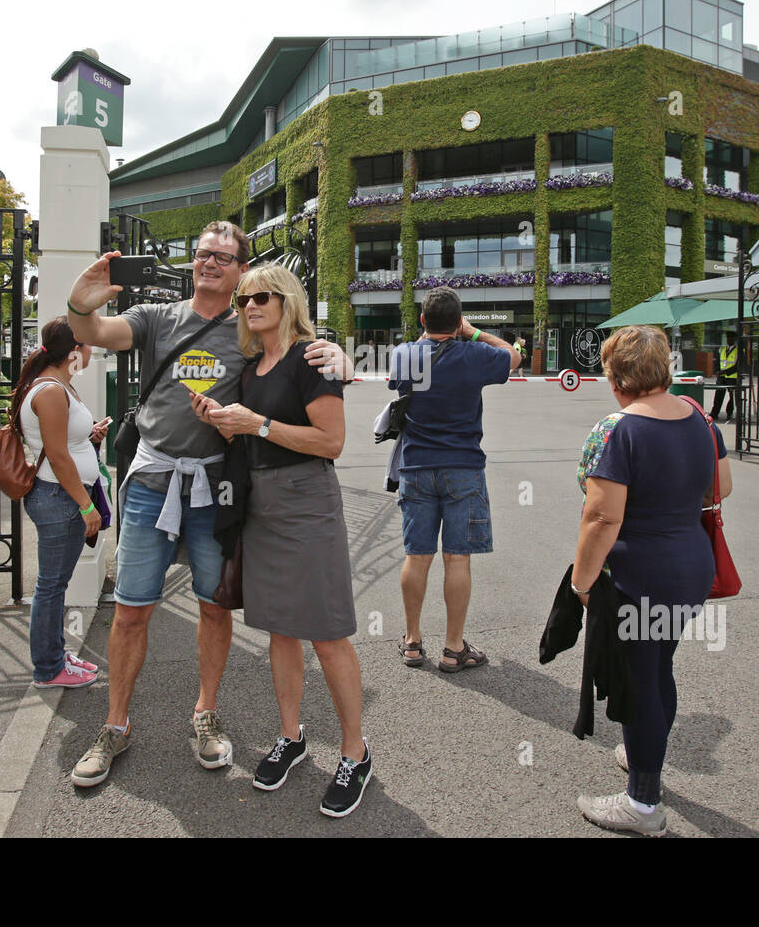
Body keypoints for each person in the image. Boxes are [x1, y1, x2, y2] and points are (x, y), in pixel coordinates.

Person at [63, 221, 351, 788]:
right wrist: (80, 301)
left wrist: (335, 351)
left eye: (222, 257)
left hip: (217, 490)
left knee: (214, 607)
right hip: (151, 483)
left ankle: (205, 714)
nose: (209, 263)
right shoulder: (157, 318)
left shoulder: (250, 330)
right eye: (202, 254)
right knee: (130, 608)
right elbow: (94, 331)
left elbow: (292, 359)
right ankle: (116, 724)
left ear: (242, 270)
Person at [193, 265, 371, 817]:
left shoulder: (313, 357)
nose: (250, 305)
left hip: (307, 504)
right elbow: (252, 433)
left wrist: (259, 425)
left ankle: (355, 752)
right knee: (280, 629)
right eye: (244, 298)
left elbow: (332, 442)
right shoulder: (252, 367)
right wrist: (224, 421)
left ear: (287, 300)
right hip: (262, 506)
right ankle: (291, 736)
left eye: (262, 296)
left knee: (327, 632)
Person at [570, 324, 732, 836]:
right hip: (689, 566)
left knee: (640, 680)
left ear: (615, 377)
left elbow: (601, 518)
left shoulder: (615, 430)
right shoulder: (701, 420)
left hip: (638, 573)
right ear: (664, 369)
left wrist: (581, 581)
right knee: (658, 666)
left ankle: (643, 803)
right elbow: (720, 487)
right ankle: (645, 753)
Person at [388, 287, 519, 672]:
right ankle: (452, 648)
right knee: (457, 558)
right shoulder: (474, 353)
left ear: (423, 320)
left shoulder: (405, 355)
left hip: (416, 467)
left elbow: (402, 377)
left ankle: (412, 642)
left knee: (417, 555)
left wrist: (426, 336)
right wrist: (474, 332)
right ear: (459, 322)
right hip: (463, 467)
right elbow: (514, 357)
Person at [14, 317, 110, 689]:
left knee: (55, 583)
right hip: (59, 499)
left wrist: (91, 435)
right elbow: (56, 455)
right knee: (52, 586)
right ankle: (49, 668)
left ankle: (54, 656)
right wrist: (86, 506)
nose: (90, 352)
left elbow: (66, 444)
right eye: (88, 346)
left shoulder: (58, 385)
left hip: (60, 496)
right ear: (74, 351)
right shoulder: (51, 391)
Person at [710, 331, 738, 421]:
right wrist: (717, 371)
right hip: (721, 377)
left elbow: (737, 366)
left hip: (732, 377)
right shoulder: (722, 349)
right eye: (728, 338)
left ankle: (729, 413)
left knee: (732, 397)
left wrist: (725, 372)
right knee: (718, 396)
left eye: (731, 338)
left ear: (734, 339)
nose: (729, 340)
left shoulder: (738, 351)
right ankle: (714, 413)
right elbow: (717, 362)